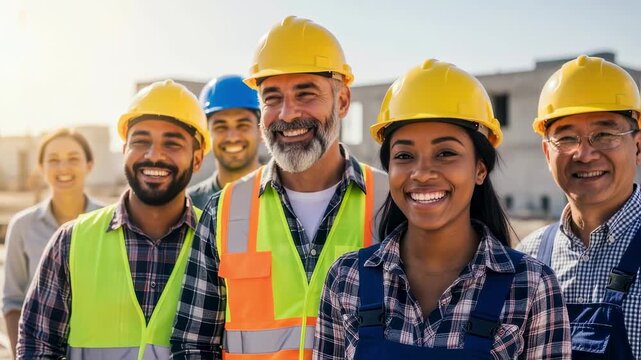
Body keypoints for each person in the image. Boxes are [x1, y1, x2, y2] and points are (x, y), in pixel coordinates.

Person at [314, 59, 571, 359]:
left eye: (445, 153)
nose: (422, 173)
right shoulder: (347, 280)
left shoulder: (531, 288)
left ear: (480, 169)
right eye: (405, 155)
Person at [171, 16, 388, 359]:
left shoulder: (391, 201)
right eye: (272, 98)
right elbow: (192, 344)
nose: (287, 115)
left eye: (306, 94)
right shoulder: (225, 209)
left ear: (343, 101)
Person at [17, 79, 211, 359]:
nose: (154, 155)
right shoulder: (71, 241)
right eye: (141, 141)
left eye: (172, 144)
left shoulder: (218, 243)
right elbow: (37, 345)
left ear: (197, 159)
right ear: (124, 151)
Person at [517, 55, 641, 359]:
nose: (584, 153)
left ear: (638, 147)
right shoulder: (526, 260)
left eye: (605, 134)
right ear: (548, 153)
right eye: (567, 137)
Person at [2, 128, 103, 356]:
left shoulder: (110, 222)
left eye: (73, 158)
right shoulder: (22, 226)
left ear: (89, 164)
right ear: (41, 168)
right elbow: (13, 300)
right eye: (53, 160)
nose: (63, 167)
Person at [188, 74, 262, 209]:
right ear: (206, 136)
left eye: (243, 125)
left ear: (261, 131)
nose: (232, 137)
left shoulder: (288, 198)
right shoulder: (189, 207)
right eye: (220, 127)